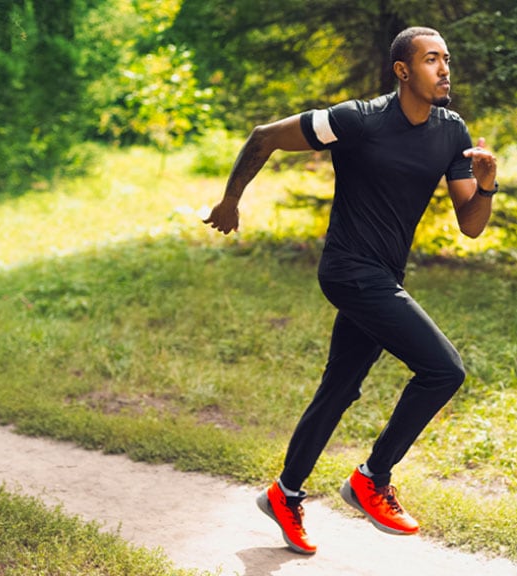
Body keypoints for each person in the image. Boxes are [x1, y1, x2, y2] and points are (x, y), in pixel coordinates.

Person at [203, 26, 498, 555]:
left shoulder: (452, 132)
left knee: (340, 387)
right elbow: (264, 135)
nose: (445, 69)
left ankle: (284, 493)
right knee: (443, 370)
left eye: (447, 60)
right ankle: (371, 478)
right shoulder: (357, 120)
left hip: (384, 276)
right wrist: (230, 200)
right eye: (432, 60)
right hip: (348, 270)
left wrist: (488, 182)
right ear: (403, 71)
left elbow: (470, 225)